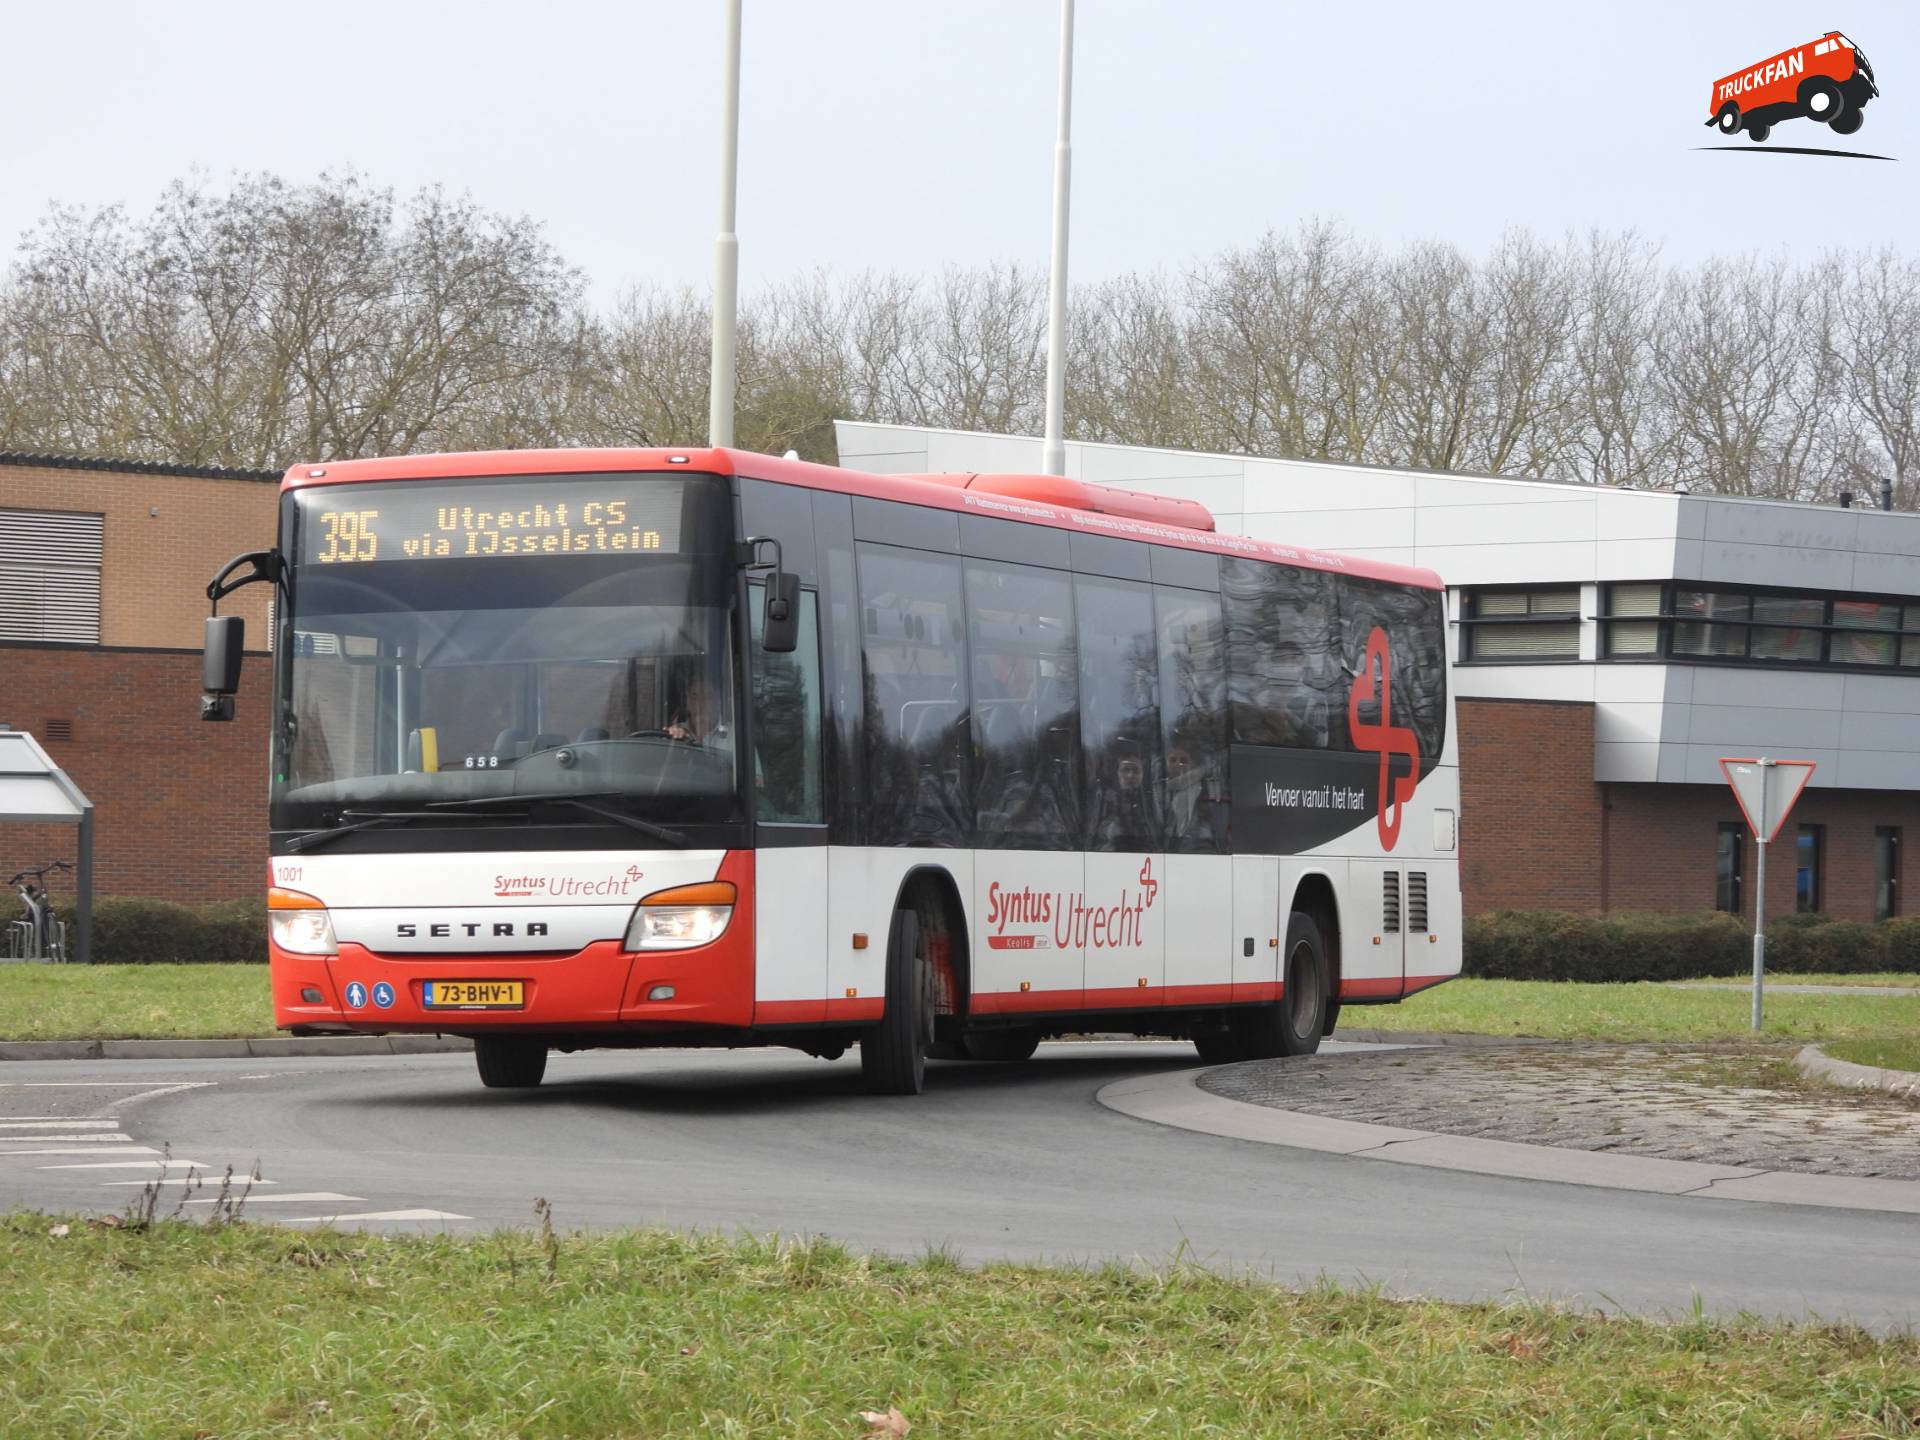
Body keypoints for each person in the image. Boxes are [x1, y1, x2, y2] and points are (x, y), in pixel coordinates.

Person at [666, 673, 731, 753]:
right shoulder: (676, 733)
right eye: (694, 695)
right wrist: (672, 743)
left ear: (719, 702)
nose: (700, 703)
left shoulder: (734, 736)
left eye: (708, 695)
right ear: (687, 703)